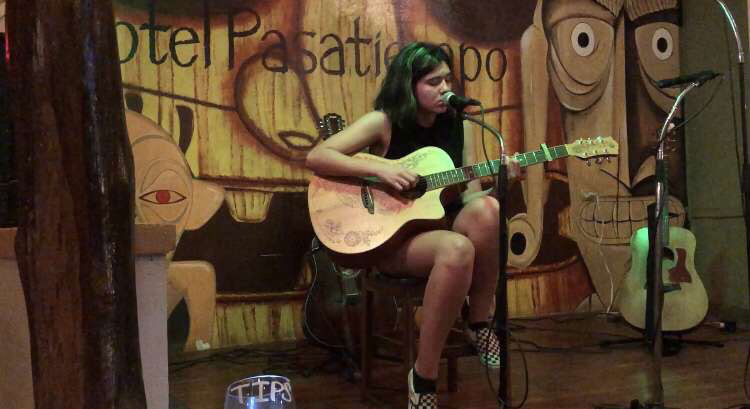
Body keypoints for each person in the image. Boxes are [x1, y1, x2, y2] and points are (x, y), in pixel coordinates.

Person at [305, 41, 512, 409]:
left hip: (435, 228)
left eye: (447, 79)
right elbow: (318, 156)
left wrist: (502, 181)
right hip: (389, 241)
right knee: (457, 248)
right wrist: (380, 166)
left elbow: (470, 195)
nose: (445, 88)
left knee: (489, 211)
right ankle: (424, 373)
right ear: (409, 85)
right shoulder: (383, 121)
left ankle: (479, 320)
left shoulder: (457, 124)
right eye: (433, 81)